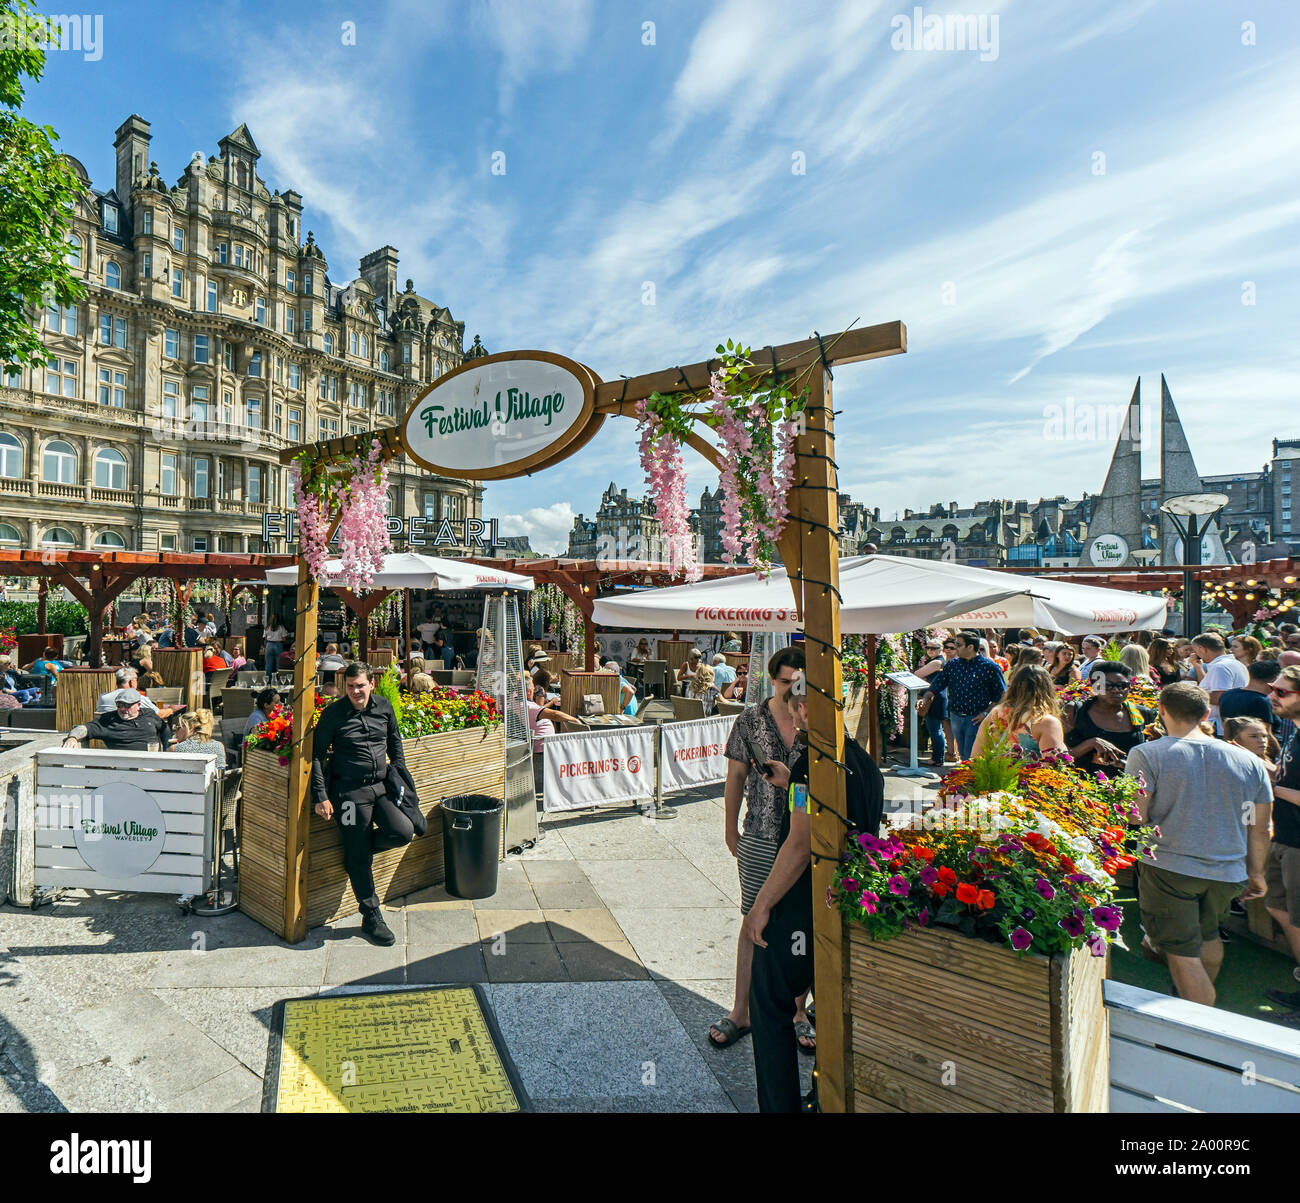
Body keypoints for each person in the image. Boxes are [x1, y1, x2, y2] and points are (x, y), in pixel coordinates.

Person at [1127, 683, 1271, 1008]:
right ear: (1207, 714)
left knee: (1181, 949)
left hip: (1169, 866)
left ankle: (1198, 1025)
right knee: (1208, 934)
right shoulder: (1248, 761)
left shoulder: (1147, 753)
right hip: (1228, 869)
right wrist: (1256, 873)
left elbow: (1136, 814)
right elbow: (1260, 826)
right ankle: (1198, 1002)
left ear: (1161, 711)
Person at [712, 647, 812, 1054]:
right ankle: (742, 1011)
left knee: (799, 925)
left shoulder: (815, 722)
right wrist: (730, 828)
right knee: (753, 918)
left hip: (804, 840)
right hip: (761, 834)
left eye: (799, 683)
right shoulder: (751, 719)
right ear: (773, 680)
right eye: (786, 681)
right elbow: (735, 775)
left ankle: (797, 1012)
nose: (793, 690)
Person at [739, 669, 816, 1112]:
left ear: (804, 708)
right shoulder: (860, 760)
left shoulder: (811, 762)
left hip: (802, 904)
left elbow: (801, 842)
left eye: (796, 709)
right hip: (836, 901)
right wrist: (789, 783)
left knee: (768, 1003)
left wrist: (760, 907)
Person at [310, 664, 418, 946]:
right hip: (348, 792)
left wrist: (399, 775)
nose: (356, 691)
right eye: (350, 686)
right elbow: (315, 756)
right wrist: (320, 796)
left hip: (381, 786)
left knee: (403, 831)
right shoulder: (333, 714)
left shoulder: (383, 707)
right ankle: (371, 916)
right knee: (358, 854)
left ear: (371, 683)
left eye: (360, 685)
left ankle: (357, 852)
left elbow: (395, 744)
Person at [1263, 665, 1300, 1023]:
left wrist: (1271, 789)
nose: (1272, 695)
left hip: (1299, 845)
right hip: (1285, 838)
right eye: (1274, 689)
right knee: (1277, 906)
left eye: (1282, 692)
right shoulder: (1295, 733)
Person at [922, 629, 1006, 761]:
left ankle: (969, 779)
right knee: (963, 754)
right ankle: (966, 779)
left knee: (970, 755)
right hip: (956, 716)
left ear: (970, 647)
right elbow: (937, 685)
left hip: (976, 718)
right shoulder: (953, 665)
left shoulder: (990, 667)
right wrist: (926, 697)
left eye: (959, 645)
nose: (955, 648)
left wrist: (985, 714)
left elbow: (1001, 695)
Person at [1062, 662, 1155, 778]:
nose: (1116, 690)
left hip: (1131, 788)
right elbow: (1060, 755)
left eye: (1122, 685)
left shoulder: (1142, 714)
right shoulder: (1075, 711)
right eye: (1108, 685)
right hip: (1086, 789)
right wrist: (1092, 743)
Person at [970, 665, 1066, 759]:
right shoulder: (1046, 722)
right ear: (1047, 689)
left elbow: (976, 757)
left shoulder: (995, 714)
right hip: (1027, 774)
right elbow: (1053, 766)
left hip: (992, 774)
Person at [526, 677, 584, 795]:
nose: (534, 688)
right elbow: (555, 714)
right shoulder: (530, 707)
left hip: (542, 743)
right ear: (528, 691)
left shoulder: (519, 702)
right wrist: (575, 720)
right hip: (543, 746)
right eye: (532, 686)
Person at [63, 690, 171, 752]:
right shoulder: (108, 720)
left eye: (127, 705)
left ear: (138, 705)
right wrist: (73, 737)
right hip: (120, 768)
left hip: (151, 765)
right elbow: (85, 728)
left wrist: (166, 750)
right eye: (119, 705)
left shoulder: (148, 714)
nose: (123, 709)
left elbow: (164, 729)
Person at [1193, 632, 1248, 732]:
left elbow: (1220, 697)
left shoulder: (1220, 667)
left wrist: (1192, 694)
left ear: (1202, 649)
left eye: (1196, 651)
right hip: (1230, 723)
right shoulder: (1234, 663)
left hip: (1220, 726)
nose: (1196, 655)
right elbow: (1213, 687)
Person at [914, 637, 949, 766]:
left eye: (933, 648)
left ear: (940, 649)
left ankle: (938, 758)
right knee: (935, 729)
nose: (930, 650)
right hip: (935, 696)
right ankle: (937, 757)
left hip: (935, 697)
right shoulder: (936, 661)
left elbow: (917, 674)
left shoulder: (937, 662)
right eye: (928, 647)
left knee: (935, 729)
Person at [1219, 659, 1280, 734]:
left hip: (1230, 742)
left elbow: (1224, 725)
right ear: (1275, 678)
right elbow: (1266, 735)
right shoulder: (1262, 701)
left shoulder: (1227, 694)